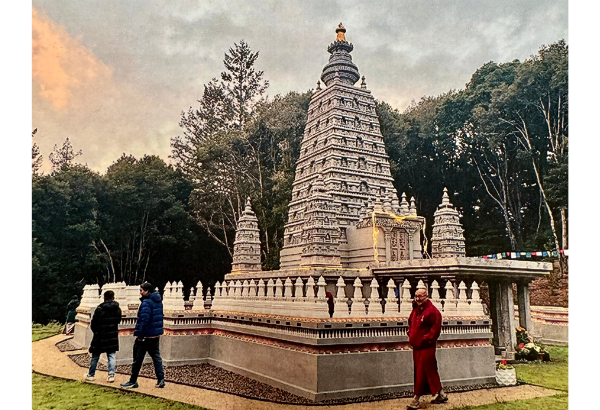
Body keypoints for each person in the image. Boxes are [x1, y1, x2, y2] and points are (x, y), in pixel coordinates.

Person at [406, 288, 448, 409]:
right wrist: (410, 334)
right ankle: (441, 394)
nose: (418, 299)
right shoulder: (416, 311)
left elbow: (434, 331)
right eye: (416, 296)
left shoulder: (432, 312)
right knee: (430, 370)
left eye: (421, 296)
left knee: (422, 371)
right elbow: (410, 323)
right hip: (417, 347)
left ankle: (416, 398)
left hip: (426, 347)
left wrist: (423, 339)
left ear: (426, 296)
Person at [121, 282, 165, 389]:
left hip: (145, 336)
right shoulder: (158, 302)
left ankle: (133, 381)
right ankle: (161, 379)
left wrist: (140, 334)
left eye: (141, 290)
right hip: (155, 335)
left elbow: (144, 320)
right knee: (156, 357)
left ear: (147, 291)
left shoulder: (146, 303)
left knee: (137, 359)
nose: (140, 293)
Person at [84, 290, 122, 382]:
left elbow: (93, 323)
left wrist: (96, 331)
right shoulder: (117, 309)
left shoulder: (100, 308)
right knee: (111, 355)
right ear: (113, 297)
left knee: (95, 356)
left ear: (104, 297)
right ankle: (111, 375)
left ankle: (91, 375)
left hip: (100, 335)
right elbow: (118, 320)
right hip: (112, 335)